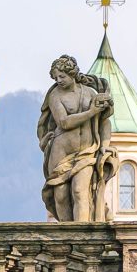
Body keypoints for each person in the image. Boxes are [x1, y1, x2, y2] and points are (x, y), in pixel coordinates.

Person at [36, 55, 116, 223]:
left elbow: (104, 122)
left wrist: (105, 144)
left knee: (80, 191)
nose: (58, 80)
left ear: (72, 74)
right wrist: (91, 112)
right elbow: (64, 122)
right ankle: (67, 240)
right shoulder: (55, 96)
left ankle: (82, 240)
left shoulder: (89, 93)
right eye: (56, 77)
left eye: (62, 76)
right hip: (60, 154)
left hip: (86, 151)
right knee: (61, 196)